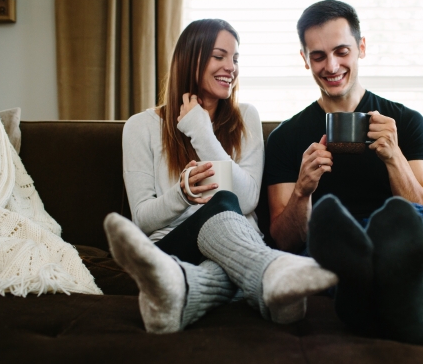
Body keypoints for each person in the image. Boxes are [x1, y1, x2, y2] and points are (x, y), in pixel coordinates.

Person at [103, 18, 337, 334]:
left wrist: (201, 131)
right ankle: (271, 273)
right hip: (174, 246)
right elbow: (143, 220)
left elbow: (247, 199)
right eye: (219, 56)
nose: (231, 67)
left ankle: (182, 288)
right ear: (190, 59)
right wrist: (181, 195)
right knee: (223, 199)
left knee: (227, 212)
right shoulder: (140, 127)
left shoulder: (246, 118)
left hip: (233, 249)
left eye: (235, 58)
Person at [264, 0, 423, 346]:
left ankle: (360, 291)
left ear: (361, 48)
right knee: (326, 238)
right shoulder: (286, 138)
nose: (331, 65)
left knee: (409, 223)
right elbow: (283, 240)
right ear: (304, 59)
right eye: (318, 56)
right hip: (334, 239)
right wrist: (303, 190)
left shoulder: (406, 122)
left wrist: (394, 158)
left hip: (399, 235)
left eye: (341, 51)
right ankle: (398, 302)